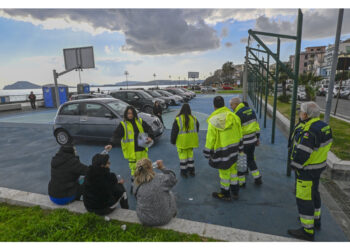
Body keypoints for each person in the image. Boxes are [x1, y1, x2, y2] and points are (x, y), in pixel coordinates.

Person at [287, 102, 333, 241]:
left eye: (301, 112)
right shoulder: (324, 126)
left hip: (306, 170)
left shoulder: (309, 130)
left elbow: (303, 153)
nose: (300, 114)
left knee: (304, 199)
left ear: (306, 114)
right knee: (315, 193)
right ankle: (316, 220)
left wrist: (294, 165)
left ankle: (307, 230)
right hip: (318, 167)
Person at [105, 106, 154, 191]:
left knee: (144, 168)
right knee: (134, 171)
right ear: (125, 114)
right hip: (132, 152)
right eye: (128, 113)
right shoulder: (123, 124)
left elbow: (149, 129)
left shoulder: (140, 121)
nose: (130, 115)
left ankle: (144, 187)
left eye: (131, 113)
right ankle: (134, 187)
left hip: (142, 149)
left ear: (134, 114)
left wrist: (150, 137)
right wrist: (111, 144)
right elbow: (116, 135)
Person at [203, 96, 243, 201]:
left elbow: (210, 138)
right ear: (224, 104)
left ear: (214, 106)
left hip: (222, 152)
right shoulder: (233, 116)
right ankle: (235, 191)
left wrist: (207, 152)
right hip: (234, 149)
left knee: (224, 173)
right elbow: (240, 132)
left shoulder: (213, 120)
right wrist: (241, 147)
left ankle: (225, 193)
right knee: (234, 171)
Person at [133, 158, 177, 226]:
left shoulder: (136, 182)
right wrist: (162, 168)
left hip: (144, 219)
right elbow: (173, 179)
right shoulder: (160, 178)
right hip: (164, 219)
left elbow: (136, 197)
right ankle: (173, 213)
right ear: (151, 167)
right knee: (170, 194)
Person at [229, 97, 262, 187]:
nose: (231, 107)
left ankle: (241, 182)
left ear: (236, 104)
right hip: (252, 140)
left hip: (243, 142)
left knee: (240, 161)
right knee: (251, 159)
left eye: (231, 105)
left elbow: (235, 131)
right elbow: (256, 126)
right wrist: (257, 138)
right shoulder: (251, 110)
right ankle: (257, 177)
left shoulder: (237, 114)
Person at [170, 103, 199, 177]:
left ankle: (184, 172)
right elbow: (197, 128)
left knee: (183, 158)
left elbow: (174, 132)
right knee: (190, 157)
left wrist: (173, 141)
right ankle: (192, 171)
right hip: (191, 142)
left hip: (182, 142)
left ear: (181, 109)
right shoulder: (194, 118)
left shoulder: (178, 119)